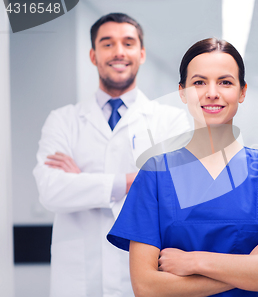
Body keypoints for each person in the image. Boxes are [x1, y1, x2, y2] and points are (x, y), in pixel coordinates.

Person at [107, 38, 258, 297]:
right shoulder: (155, 174)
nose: (212, 92)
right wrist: (251, 265)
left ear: (242, 92)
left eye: (225, 82)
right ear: (182, 92)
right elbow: (146, 287)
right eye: (199, 82)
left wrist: (195, 261)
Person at [33, 13, 191, 297]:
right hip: (78, 279)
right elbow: (50, 191)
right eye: (107, 44)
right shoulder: (63, 120)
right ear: (93, 55)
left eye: (128, 43)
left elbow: (175, 190)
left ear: (141, 54)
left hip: (146, 273)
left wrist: (83, 183)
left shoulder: (171, 121)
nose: (119, 51)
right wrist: (135, 181)